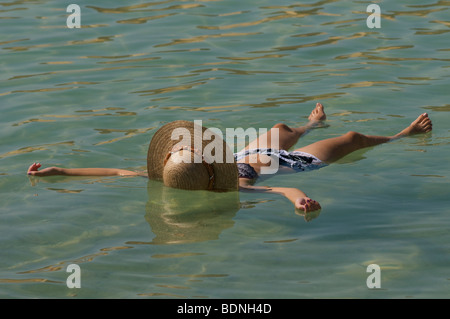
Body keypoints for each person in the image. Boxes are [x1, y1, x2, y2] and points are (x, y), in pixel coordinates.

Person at [27, 103, 432, 214]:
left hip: (253, 152)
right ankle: (403, 134)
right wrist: (298, 199)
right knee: (354, 138)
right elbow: (280, 186)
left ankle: (313, 124)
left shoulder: (167, 174)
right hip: (292, 164)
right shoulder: (231, 184)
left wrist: (59, 170)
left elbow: (113, 171)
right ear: (207, 167)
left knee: (284, 126)